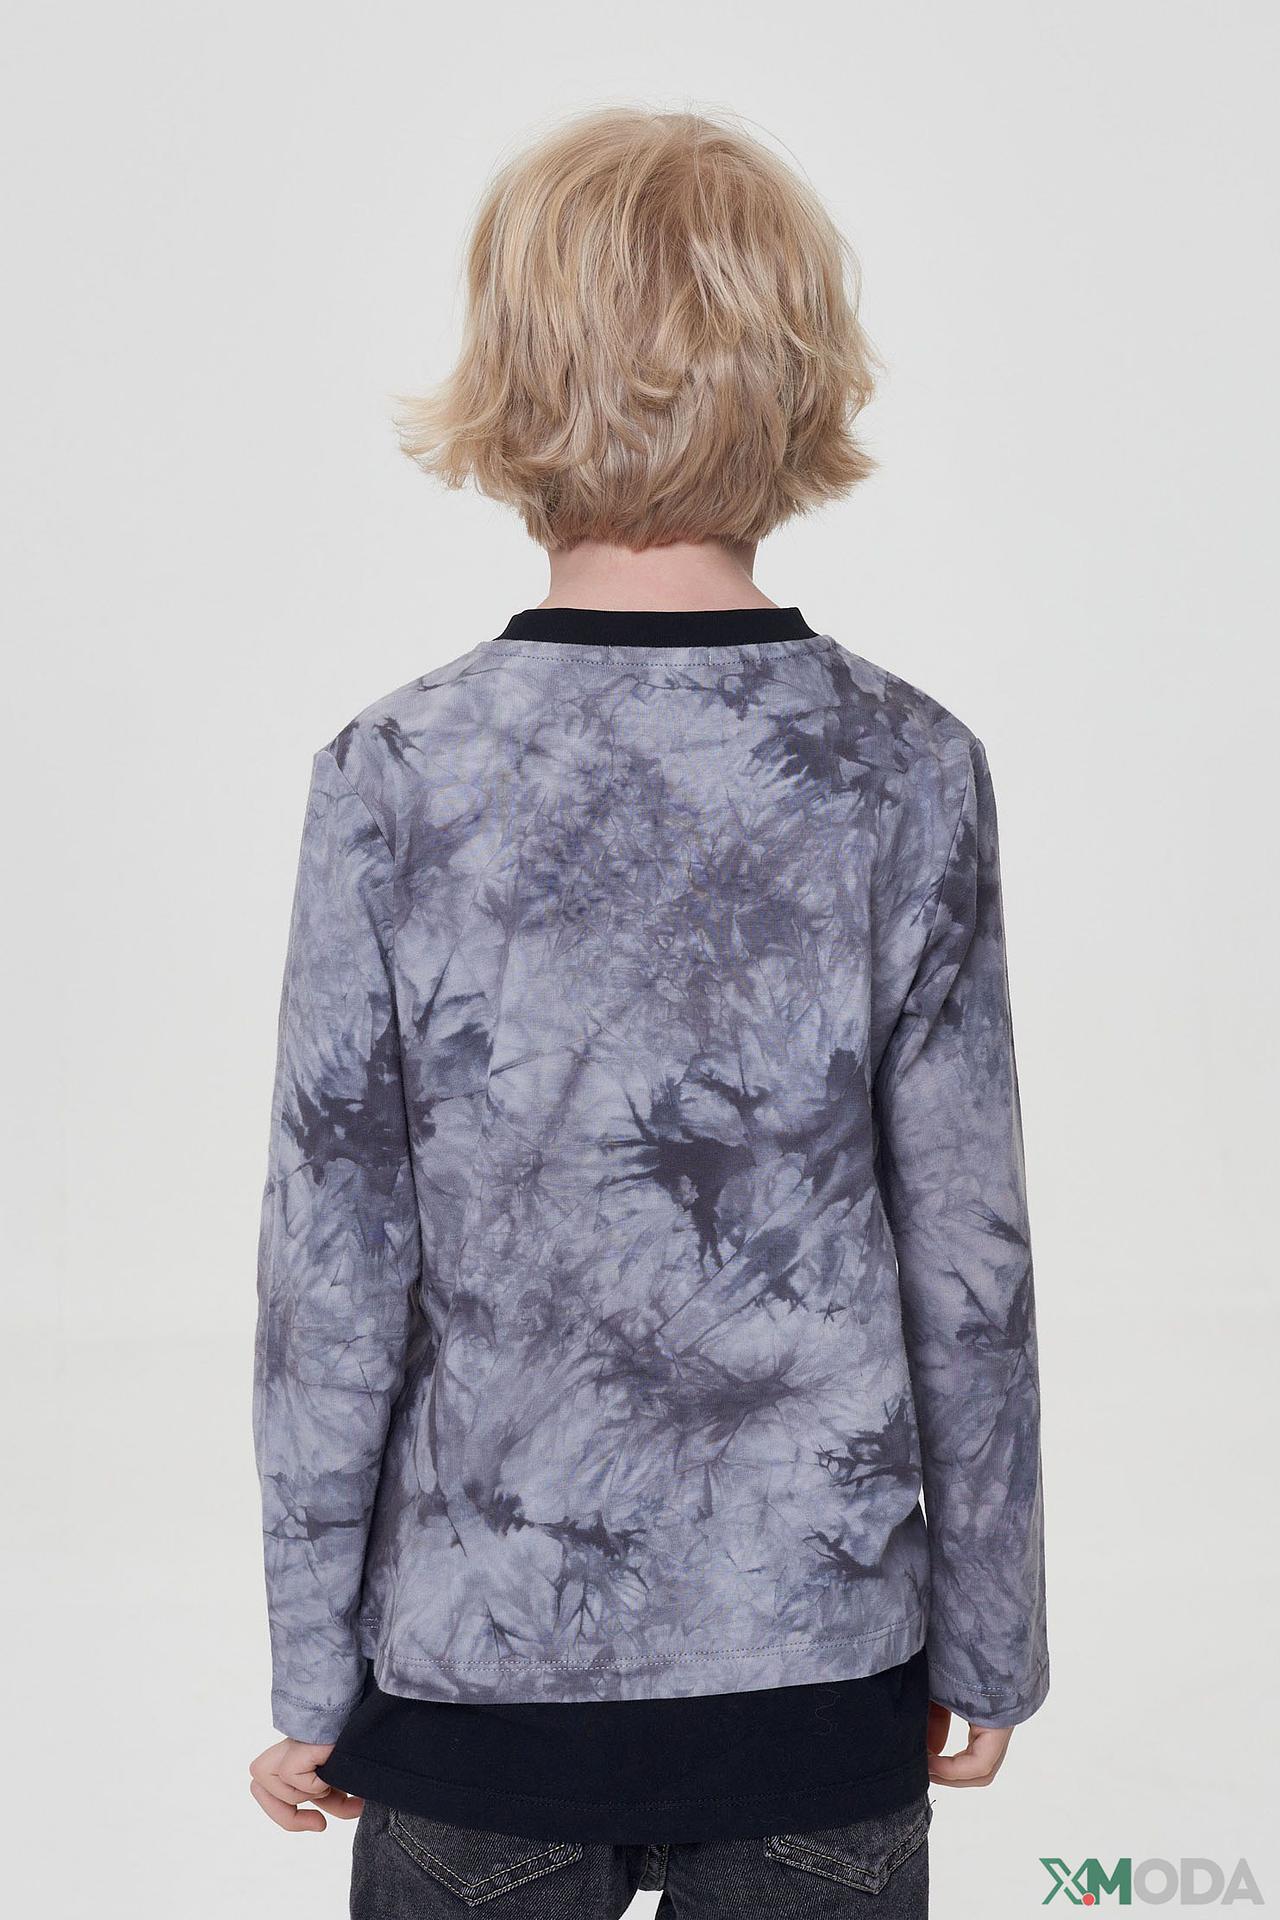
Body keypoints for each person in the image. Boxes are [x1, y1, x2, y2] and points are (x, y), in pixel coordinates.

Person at [249, 107, 1047, 1918]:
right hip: (819, 1679)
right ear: (800, 376)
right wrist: (993, 1630)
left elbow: (331, 1273)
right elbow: (971, 1260)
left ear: (509, 378)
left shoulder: (398, 774)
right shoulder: (905, 767)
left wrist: (310, 1668)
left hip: (480, 1676)